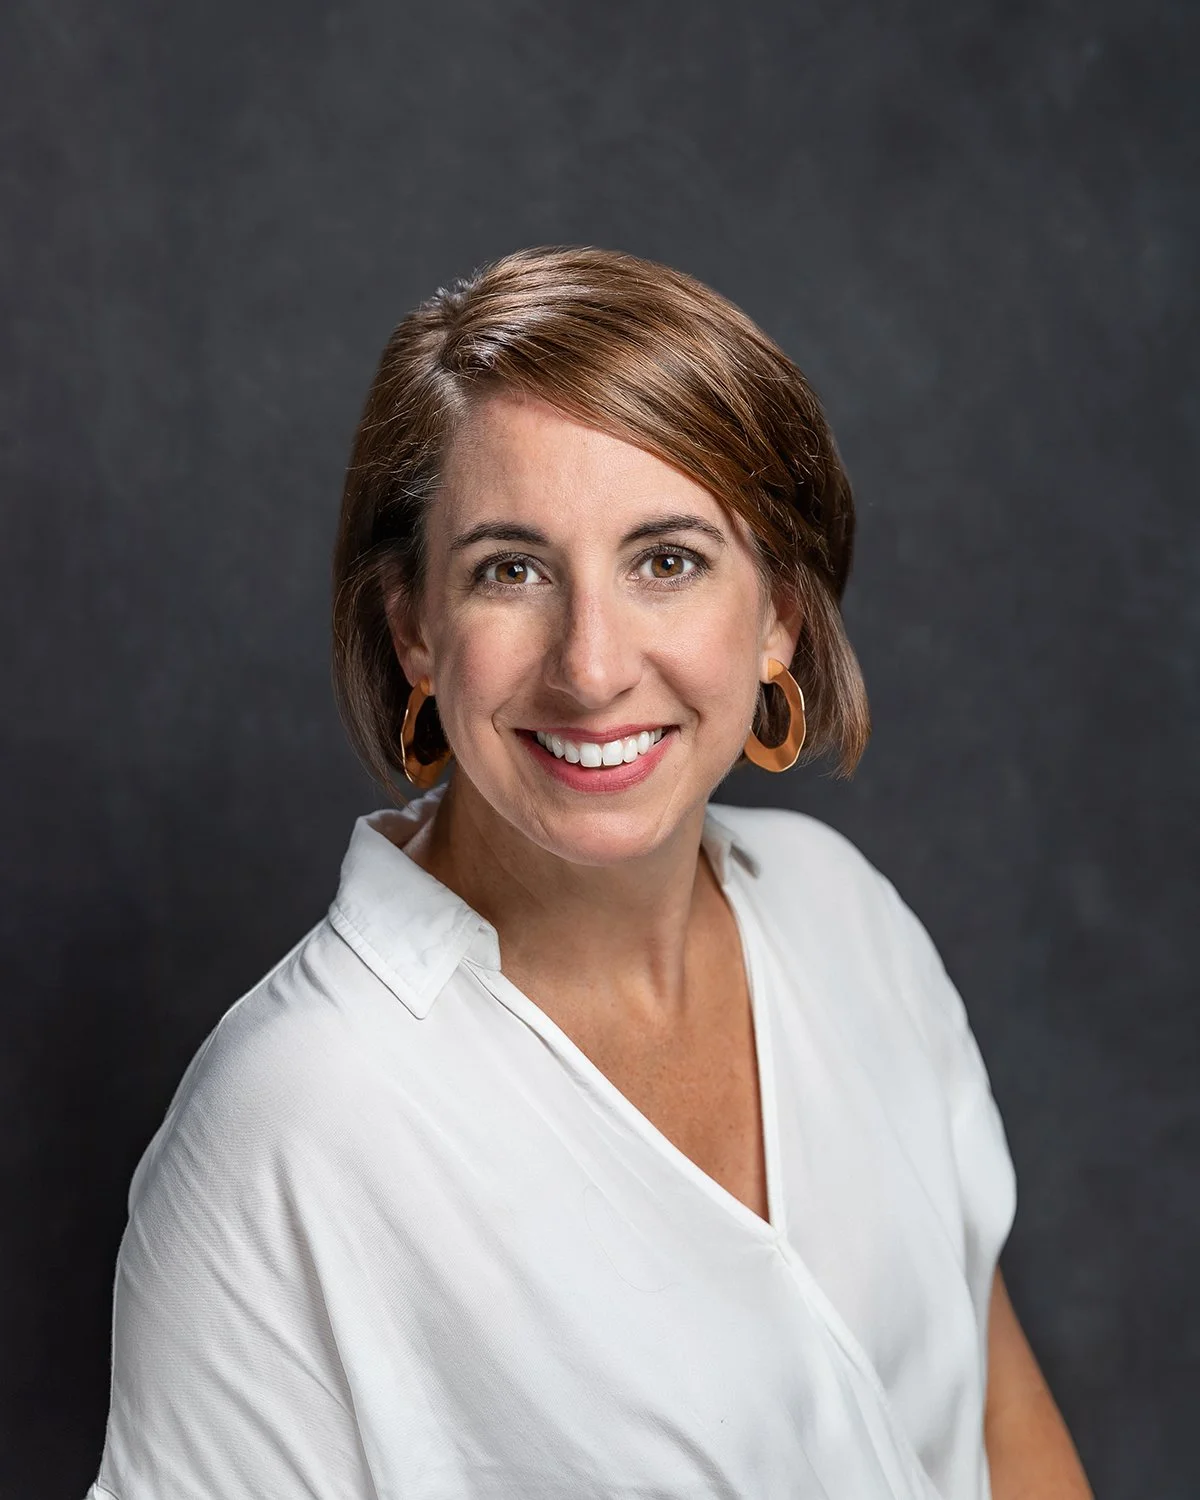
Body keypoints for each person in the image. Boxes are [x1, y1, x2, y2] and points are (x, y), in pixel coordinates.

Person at [85, 246, 1092, 1499]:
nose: (593, 666)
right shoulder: (290, 1126)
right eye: (511, 569)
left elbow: (1000, 1423)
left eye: (666, 559)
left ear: (778, 609)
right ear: (412, 629)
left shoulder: (846, 915)